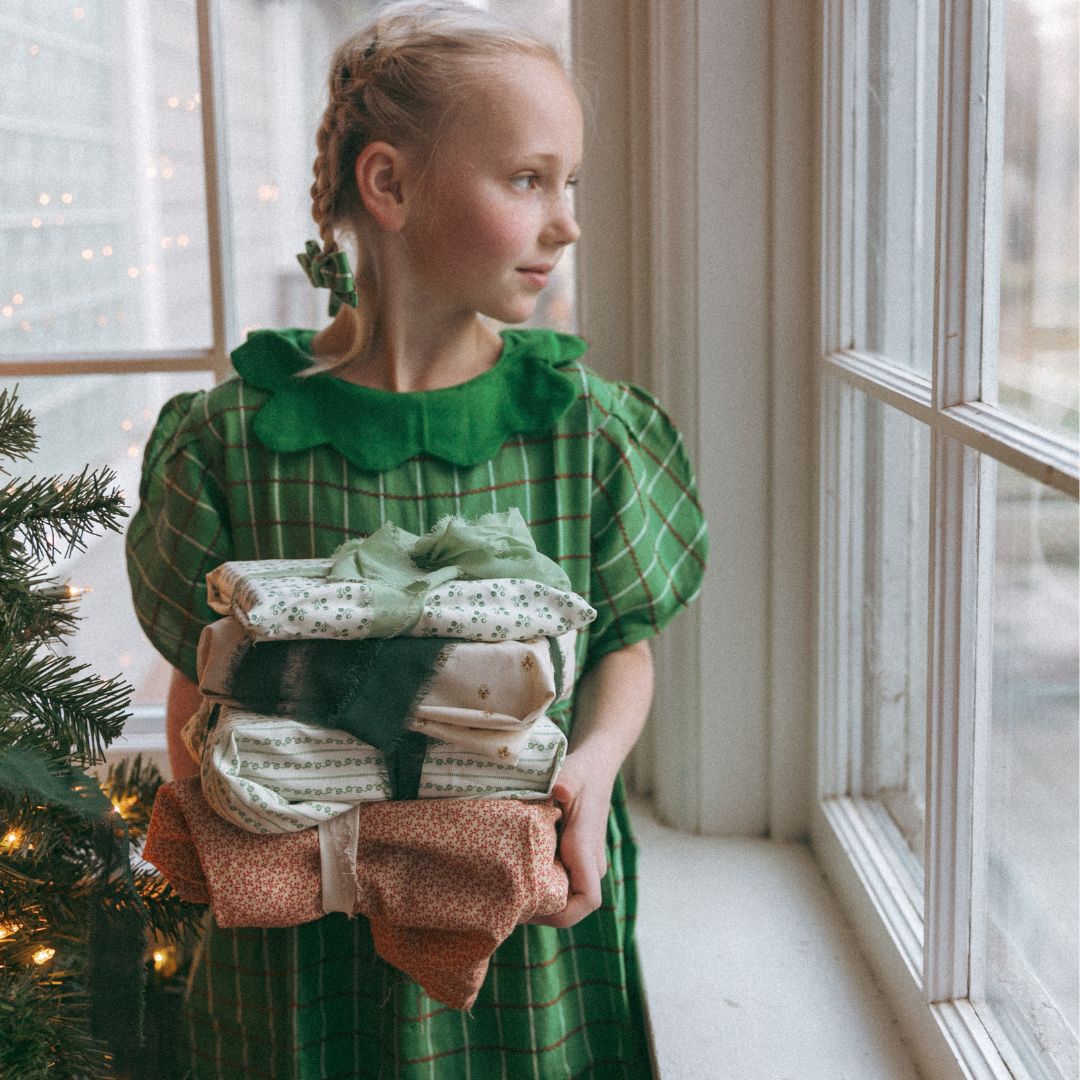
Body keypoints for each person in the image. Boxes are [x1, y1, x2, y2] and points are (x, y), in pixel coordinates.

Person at [126, 2, 707, 1076]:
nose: (566, 222)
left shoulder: (588, 433)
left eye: (569, 183)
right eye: (529, 179)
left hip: (514, 928)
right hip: (298, 930)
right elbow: (199, 677)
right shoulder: (231, 441)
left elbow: (622, 639)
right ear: (389, 186)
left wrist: (590, 767)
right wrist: (237, 839)